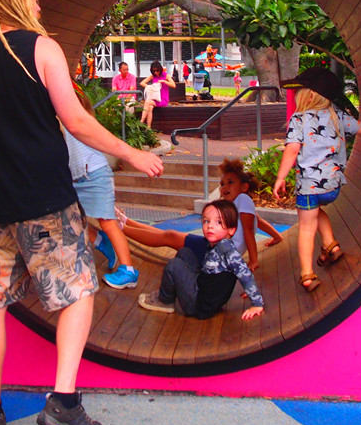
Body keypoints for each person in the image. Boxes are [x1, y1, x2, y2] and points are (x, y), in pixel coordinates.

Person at [0, 0, 163, 425]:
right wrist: (131, 152)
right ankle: (64, 400)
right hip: (45, 201)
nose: (38, 2)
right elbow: (75, 120)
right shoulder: (42, 48)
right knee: (77, 292)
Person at [273, 68, 361, 293]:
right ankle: (331, 245)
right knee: (313, 211)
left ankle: (307, 275)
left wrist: (281, 177)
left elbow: (292, 150)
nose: (297, 93)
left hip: (310, 186)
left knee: (306, 227)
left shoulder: (299, 119)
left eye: (300, 89)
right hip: (332, 186)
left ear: (310, 95)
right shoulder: (337, 115)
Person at [126, 200, 264, 321]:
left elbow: (244, 272)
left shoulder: (226, 249)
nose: (210, 226)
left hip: (199, 306)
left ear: (231, 230)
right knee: (185, 253)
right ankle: (169, 292)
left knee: (174, 266)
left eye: (218, 222)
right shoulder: (216, 244)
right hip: (204, 292)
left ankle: (165, 300)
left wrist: (257, 303)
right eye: (206, 221)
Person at [66, 86, 140, 290]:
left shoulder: (82, 121)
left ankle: (129, 270)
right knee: (70, 217)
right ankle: (102, 243)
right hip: (76, 178)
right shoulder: (62, 120)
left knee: (107, 221)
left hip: (95, 174)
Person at [217, 159, 282, 272]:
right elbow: (258, 221)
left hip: (226, 252)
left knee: (178, 239)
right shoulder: (237, 204)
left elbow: (248, 229)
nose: (225, 187)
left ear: (244, 187)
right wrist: (277, 236)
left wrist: (253, 260)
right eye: (222, 184)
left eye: (230, 182)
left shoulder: (243, 199)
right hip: (225, 251)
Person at [139, 60, 176, 127]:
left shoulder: (166, 75)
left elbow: (173, 85)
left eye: (157, 71)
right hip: (155, 98)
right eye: (154, 71)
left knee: (147, 102)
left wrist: (164, 81)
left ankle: (141, 121)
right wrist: (150, 87)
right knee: (150, 107)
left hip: (163, 99)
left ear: (160, 69)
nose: (156, 72)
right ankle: (148, 127)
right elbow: (142, 83)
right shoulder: (153, 76)